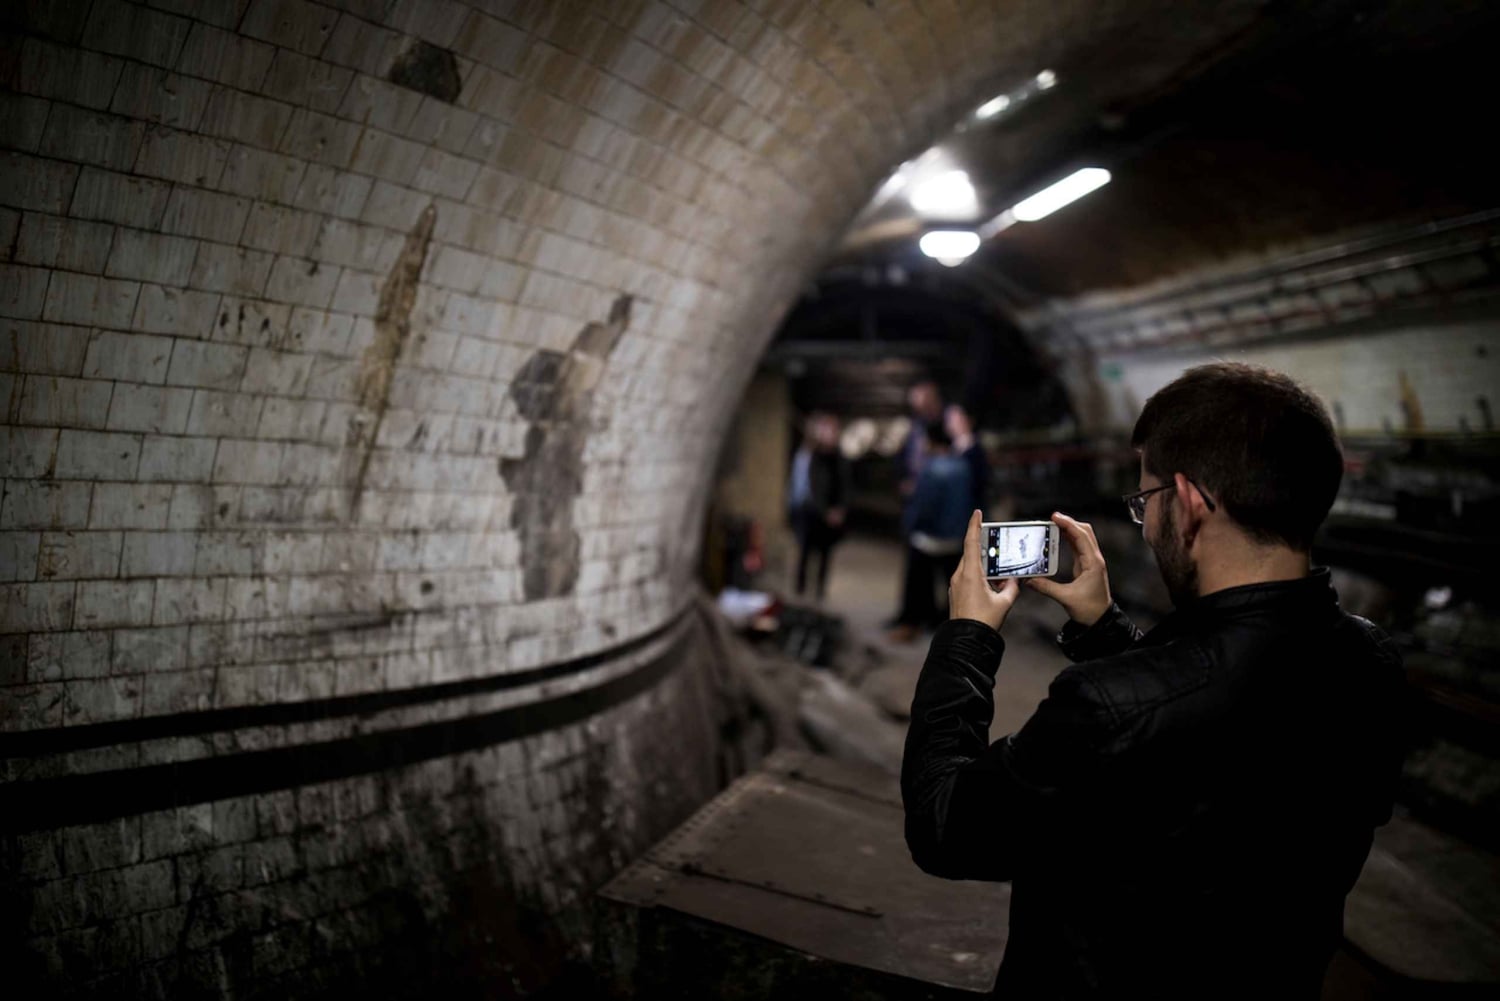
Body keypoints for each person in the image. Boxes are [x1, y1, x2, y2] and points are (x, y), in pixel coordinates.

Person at [901, 363, 1407, 998]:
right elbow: (1206, 736)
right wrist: (1103, 629)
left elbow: (943, 827)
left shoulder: (1105, 708)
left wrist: (968, 637)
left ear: (1190, 505)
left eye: (1145, 503)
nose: (1144, 522)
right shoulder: (1370, 662)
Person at [888, 420, 973, 643]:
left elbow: (924, 506)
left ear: (933, 442)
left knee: (917, 584)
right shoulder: (963, 467)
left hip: (928, 538)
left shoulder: (931, 469)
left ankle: (911, 624)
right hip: (954, 539)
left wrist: (909, 526)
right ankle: (949, 629)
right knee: (951, 587)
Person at [786, 412, 851, 601]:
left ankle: (820, 591)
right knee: (805, 552)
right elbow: (811, 486)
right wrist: (824, 511)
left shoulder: (841, 458)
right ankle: (800, 588)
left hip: (832, 514)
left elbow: (845, 486)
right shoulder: (811, 456)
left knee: (826, 554)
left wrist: (840, 509)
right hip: (812, 512)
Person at [946, 402, 989, 514]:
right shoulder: (952, 450)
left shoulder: (975, 450)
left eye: (955, 419)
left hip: (970, 506)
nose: (951, 424)